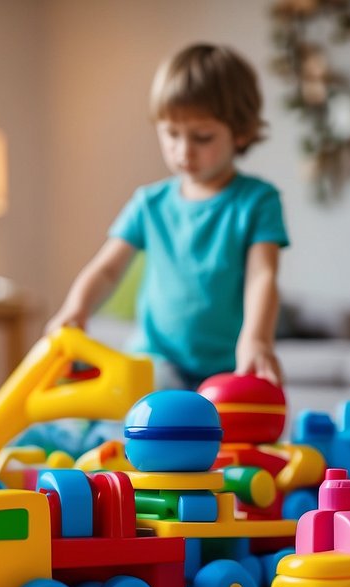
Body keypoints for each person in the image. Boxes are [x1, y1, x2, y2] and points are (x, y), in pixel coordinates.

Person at [47, 42, 289, 390]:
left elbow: (262, 276)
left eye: (202, 137)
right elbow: (107, 269)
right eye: (171, 134)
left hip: (228, 365)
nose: (183, 151)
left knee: (256, 422)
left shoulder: (257, 201)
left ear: (241, 133)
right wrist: (76, 308)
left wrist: (257, 340)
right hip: (156, 358)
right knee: (159, 415)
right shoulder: (150, 204)